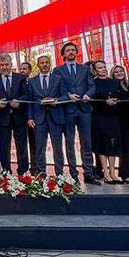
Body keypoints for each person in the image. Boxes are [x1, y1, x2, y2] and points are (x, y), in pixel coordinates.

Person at [53, 42, 99, 184]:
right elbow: (57, 88)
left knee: (87, 142)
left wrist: (88, 94)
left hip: (84, 110)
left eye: (73, 50)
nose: (71, 52)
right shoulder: (58, 70)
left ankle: (89, 173)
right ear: (63, 54)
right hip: (68, 110)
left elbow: (92, 85)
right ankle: (74, 174)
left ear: (76, 52)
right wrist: (68, 95)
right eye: (67, 50)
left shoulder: (85, 69)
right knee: (70, 143)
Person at [26, 55, 66, 177]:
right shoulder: (32, 81)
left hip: (55, 117)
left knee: (57, 147)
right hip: (39, 118)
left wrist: (56, 101)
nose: (44, 65)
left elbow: (65, 96)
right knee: (39, 147)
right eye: (42, 63)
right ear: (38, 65)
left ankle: (59, 173)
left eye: (47, 62)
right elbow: (30, 101)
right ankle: (41, 173)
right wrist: (30, 117)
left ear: (50, 64)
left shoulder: (58, 78)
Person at [0, 54, 29, 174]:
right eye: (2, 65)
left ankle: (22, 171)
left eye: (6, 64)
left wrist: (19, 102)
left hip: (19, 117)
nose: (4, 67)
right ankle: (6, 171)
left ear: (11, 65)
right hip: (3, 118)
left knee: (21, 145)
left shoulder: (20, 78)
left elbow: (26, 95)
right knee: (4, 146)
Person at [90, 60, 121, 184]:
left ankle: (113, 172)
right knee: (101, 144)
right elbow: (92, 100)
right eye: (100, 68)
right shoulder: (93, 83)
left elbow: (119, 96)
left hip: (112, 116)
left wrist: (115, 101)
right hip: (99, 116)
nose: (103, 69)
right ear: (94, 71)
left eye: (104, 67)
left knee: (112, 143)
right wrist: (104, 102)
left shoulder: (114, 82)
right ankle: (106, 172)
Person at [110, 65, 129, 184]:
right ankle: (126, 174)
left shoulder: (128, 85)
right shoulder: (113, 86)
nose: (119, 73)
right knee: (124, 147)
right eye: (116, 72)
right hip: (119, 119)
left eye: (121, 71)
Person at [19, 61, 38, 173]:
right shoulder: (17, 83)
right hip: (20, 117)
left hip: (33, 117)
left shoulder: (33, 83)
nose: (22, 71)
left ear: (29, 71)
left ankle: (34, 167)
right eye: (21, 69)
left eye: (25, 69)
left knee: (34, 142)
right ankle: (23, 168)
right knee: (22, 144)